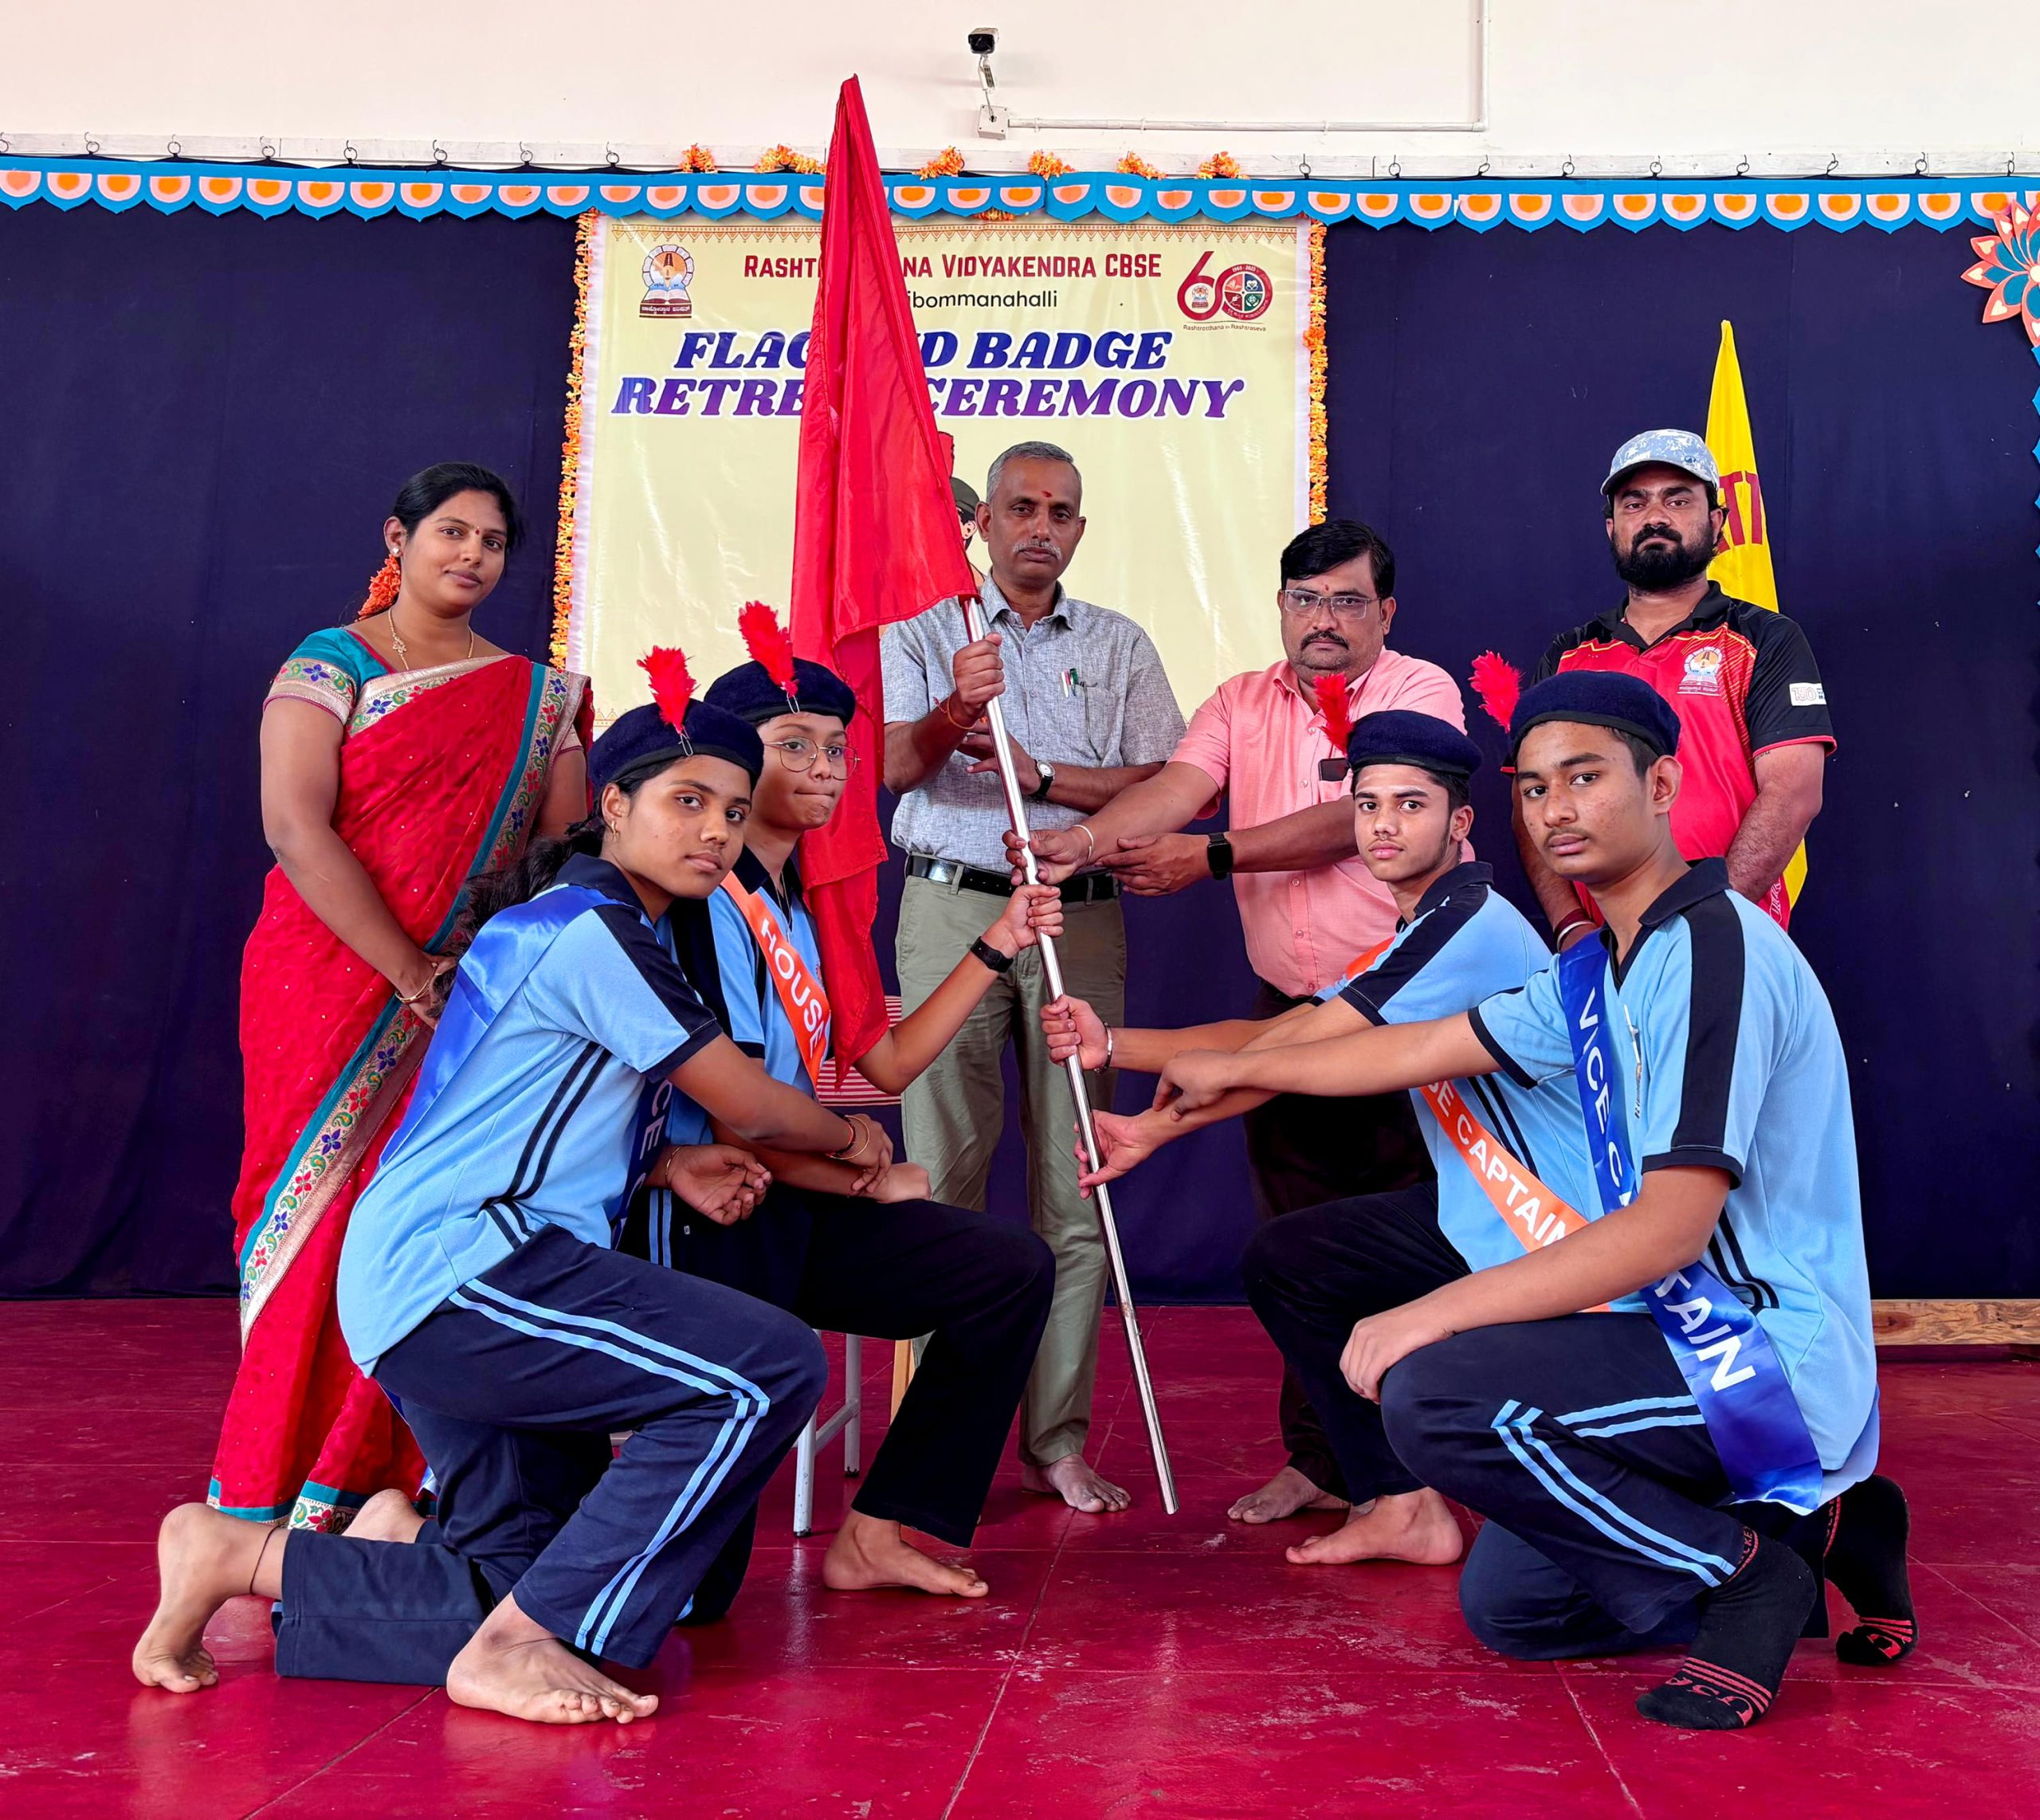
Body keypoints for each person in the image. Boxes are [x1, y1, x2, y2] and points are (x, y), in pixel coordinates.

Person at [1136, 672, 1909, 1731]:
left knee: (1438, 1392)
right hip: (1667, 1327)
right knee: (1516, 1611)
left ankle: (1747, 1578)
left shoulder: (1715, 950)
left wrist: (1431, 1310)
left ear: (1665, 782)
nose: (1556, 810)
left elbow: (1670, 1228)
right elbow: (1405, 1050)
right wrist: (1220, 1076)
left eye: (1585, 779)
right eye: (1537, 788)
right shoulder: (1599, 969)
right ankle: (1820, 1533)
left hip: (1767, 1348)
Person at [135, 660, 900, 1723]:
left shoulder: (585, 923)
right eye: (687, 804)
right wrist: (854, 1137)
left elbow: (526, 1118)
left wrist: (667, 1162)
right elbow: (757, 1104)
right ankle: (517, 1651)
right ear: (613, 806)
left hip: (449, 1278)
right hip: (468, 1272)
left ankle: (243, 1556)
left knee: (516, 1580)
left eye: (731, 811)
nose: (716, 832)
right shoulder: (590, 927)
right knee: (764, 1367)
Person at [1021, 520, 1465, 1527]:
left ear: (1385, 613)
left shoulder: (1417, 693)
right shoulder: (1240, 699)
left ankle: (1423, 1476)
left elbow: (1356, 814)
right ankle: (1327, 1462)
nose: (1322, 621)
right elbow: (1175, 792)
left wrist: (1213, 857)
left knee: (1418, 1252)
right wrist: (1079, 844)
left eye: (1347, 601)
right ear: (1280, 608)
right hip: (1290, 1006)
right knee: (1298, 1250)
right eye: (1304, 600)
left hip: (1413, 1012)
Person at [611, 618, 1057, 1609]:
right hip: (703, 1214)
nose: (824, 768)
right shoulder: (699, 898)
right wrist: (865, 1168)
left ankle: (878, 1529)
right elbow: (727, 1120)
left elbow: (885, 1066)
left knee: (1005, 1269)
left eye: (839, 751)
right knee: (697, 1600)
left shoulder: (808, 903)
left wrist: (998, 941)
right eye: (794, 746)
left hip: (790, 1200)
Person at [1042, 709, 1540, 1569]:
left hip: (1541, 1221)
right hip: (1484, 1202)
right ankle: (1397, 1499)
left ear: (1459, 823)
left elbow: (1301, 1047)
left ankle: (1404, 1496)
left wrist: (1159, 1122)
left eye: (1411, 805)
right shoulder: (1423, 928)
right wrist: (1113, 1050)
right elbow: (1279, 1033)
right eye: (1368, 804)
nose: (1383, 823)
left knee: (1303, 1258)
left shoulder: (1470, 928)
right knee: (1296, 1254)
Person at [211, 463, 594, 1534]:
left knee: (414, 1214)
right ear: (401, 537)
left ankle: (390, 1470)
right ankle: (274, 1477)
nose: (470, 555)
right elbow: (295, 826)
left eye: (491, 541)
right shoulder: (330, 663)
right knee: (307, 1211)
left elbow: (562, 853)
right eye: (451, 533)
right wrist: (404, 966)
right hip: (324, 977)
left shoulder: (541, 695)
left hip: (468, 995)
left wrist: (472, 971)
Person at [881, 440, 1185, 1512]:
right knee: (943, 1182)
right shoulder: (926, 631)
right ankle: (931, 1441)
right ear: (987, 522)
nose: (1039, 526)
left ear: (1080, 530)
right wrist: (960, 709)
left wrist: (1047, 779)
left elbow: (1165, 776)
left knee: (1073, 1188)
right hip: (952, 903)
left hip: (1077, 913)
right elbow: (892, 767)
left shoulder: (1117, 642)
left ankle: (1054, 1438)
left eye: (1060, 510)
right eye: (1021, 506)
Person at [1518, 430, 1832, 943]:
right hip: (1598, 949)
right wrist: (1570, 925)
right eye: (1634, 502)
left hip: (1733, 934)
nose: (1654, 516)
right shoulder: (1567, 656)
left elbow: (1793, 792)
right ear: (1611, 527)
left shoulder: (1767, 639)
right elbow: (1529, 797)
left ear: (1717, 522)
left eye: (1678, 499)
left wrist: (1704, 924)